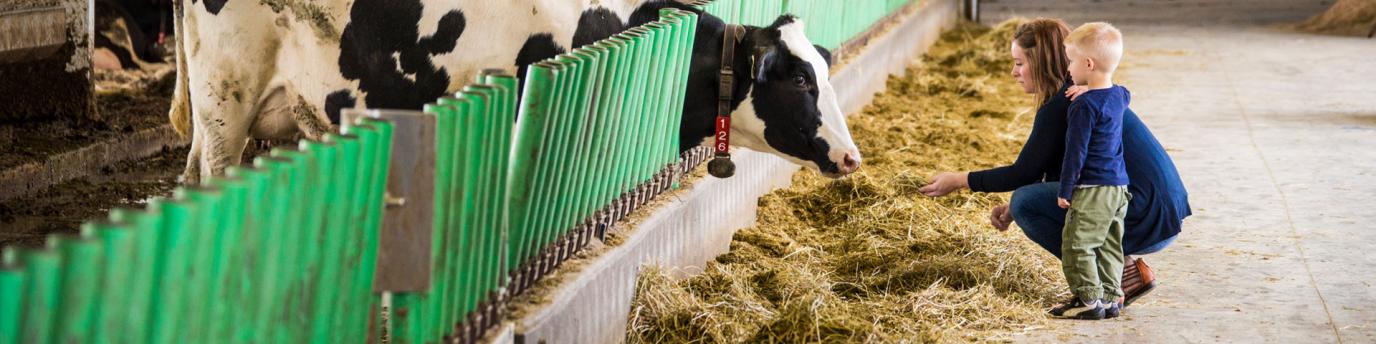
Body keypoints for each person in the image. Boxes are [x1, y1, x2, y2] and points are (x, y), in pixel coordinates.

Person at [917, 18, 1190, 312]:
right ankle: (1122, 275)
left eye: (1019, 63)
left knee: (1025, 203)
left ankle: (1098, 287)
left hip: (1144, 215)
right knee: (1025, 201)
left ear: (1041, 63)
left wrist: (958, 180)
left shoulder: (1067, 103)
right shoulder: (1090, 91)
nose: (1013, 72)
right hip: (1161, 212)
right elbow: (1057, 168)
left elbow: (1023, 172)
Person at [1045, 22, 1132, 320]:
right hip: (1118, 188)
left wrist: (1065, 189)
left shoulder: (1083, 107)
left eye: (1071, 60)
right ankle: (1110, 298)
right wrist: (1091, 87)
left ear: (1088, 64)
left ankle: (1088, 300)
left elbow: (1076, 152)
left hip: (1092, 187)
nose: (1068, 68)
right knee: (1109, 245)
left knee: (1077, 244)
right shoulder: (1118, 96)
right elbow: (1123, 91)